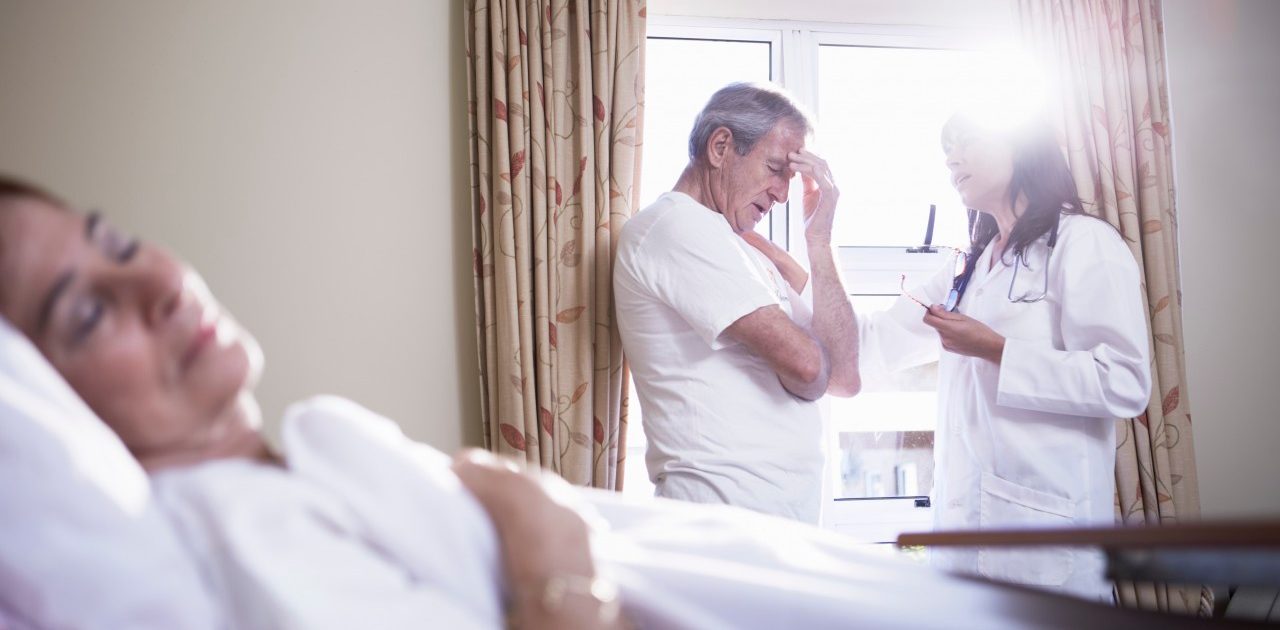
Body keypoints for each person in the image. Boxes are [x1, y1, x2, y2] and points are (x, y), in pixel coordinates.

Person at [0, 174, 1213, 629]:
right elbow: (826, 369)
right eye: (86, 310)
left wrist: (820, 250)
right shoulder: (679, 240)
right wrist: (547, 546)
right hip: (733, 526)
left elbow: (840, 363)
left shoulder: (307, 446)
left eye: (118, 240)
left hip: (840, 538)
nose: (156, 273)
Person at [847, 111, 1149, 601]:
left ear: (1021, 145)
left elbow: (1124, 382)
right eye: (947, 149)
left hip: (1048, 550)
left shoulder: (1083, 242)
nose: (951, 158)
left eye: (966, 141)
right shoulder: (965, 268)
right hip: (962, 543)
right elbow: (876, 342)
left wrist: (995, 349)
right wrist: (811, 259)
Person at [613, 82, 859, 524]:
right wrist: (805, 355)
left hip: (773, 520)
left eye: (791, 177)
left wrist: (819, 240)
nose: (784, 194)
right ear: (721, 146)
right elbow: (807, 368)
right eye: (775, 168)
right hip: (722, 518)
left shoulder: (742, 247)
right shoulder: (676, 225)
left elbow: (842, 375)